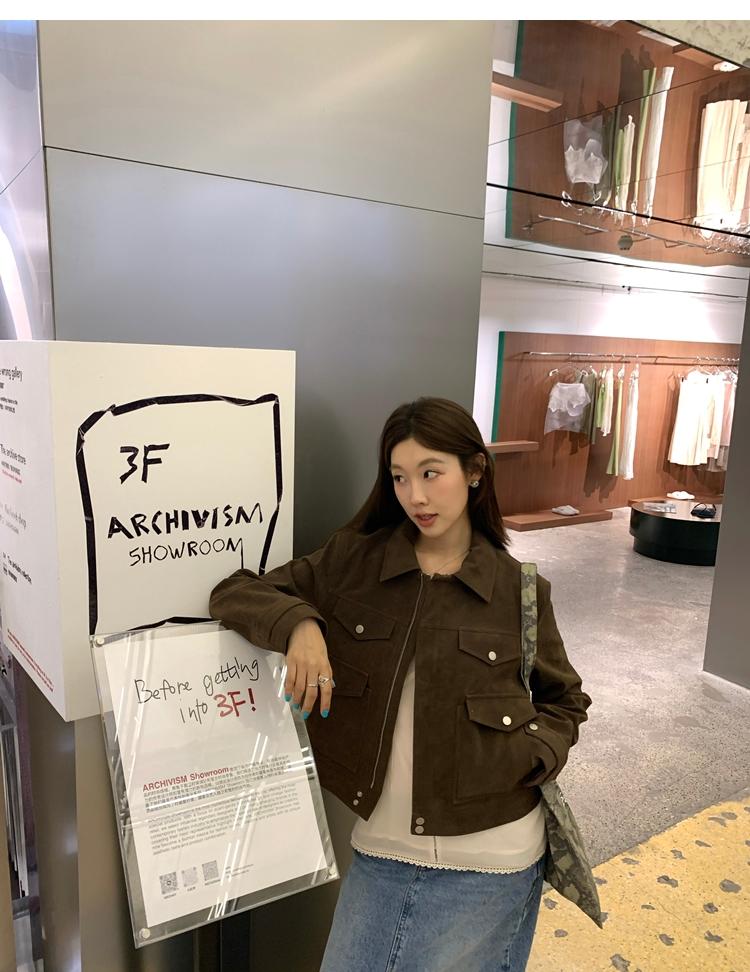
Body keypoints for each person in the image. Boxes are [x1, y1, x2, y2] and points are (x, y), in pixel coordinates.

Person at [209, 397, 592, 972]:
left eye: (431, 473)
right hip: (383, 849)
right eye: (400, 477)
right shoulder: (353, 562)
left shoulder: (520, 590)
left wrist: (531, 755)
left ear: (475, 471)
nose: (416, 496)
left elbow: (565, 699)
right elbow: (234, 592)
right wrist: (300, 624)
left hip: (496, 854)